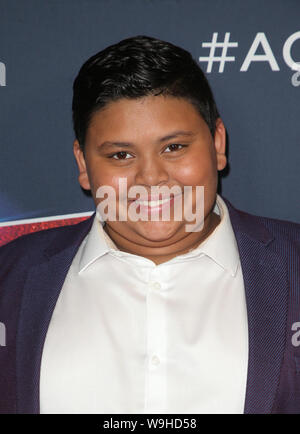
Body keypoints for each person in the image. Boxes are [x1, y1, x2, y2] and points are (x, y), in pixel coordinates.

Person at [0, 35, 299, 414]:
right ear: (83, 165)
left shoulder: (294, 266)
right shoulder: (9, 280)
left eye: (173, 147)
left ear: (217, 143)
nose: (151, 178)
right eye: (121, 154)